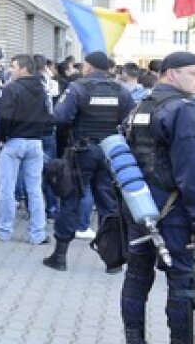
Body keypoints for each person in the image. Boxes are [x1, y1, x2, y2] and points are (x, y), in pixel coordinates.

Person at [120, 51, 195, 344]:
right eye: (193, 73)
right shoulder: (183, 109)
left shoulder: (141, 106)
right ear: (170, 75)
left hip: (140, 207)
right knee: (181, 280)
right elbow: (191, 170)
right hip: (173, 210)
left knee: (136, 277)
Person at [48, 51, 134, 271]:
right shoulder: (121, 91)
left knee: (71, 199)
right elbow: (129, 121)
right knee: (108, 203)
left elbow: (60, 117)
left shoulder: (78, 88)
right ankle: (113, 261)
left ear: (88, 67)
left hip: (81, 151)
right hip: (110, 151)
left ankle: (60, 256)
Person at [0, 54, 52, 245]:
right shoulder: (42, 89)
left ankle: (4, 231)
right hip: (35, 142)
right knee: (35, 190)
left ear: (23, 68)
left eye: (13, 66)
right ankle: (38, 234)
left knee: (7, 188)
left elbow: (4, 117)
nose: (10, 70)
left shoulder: (11, 89)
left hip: (14, 142)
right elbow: (49, 116)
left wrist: (2, 137)